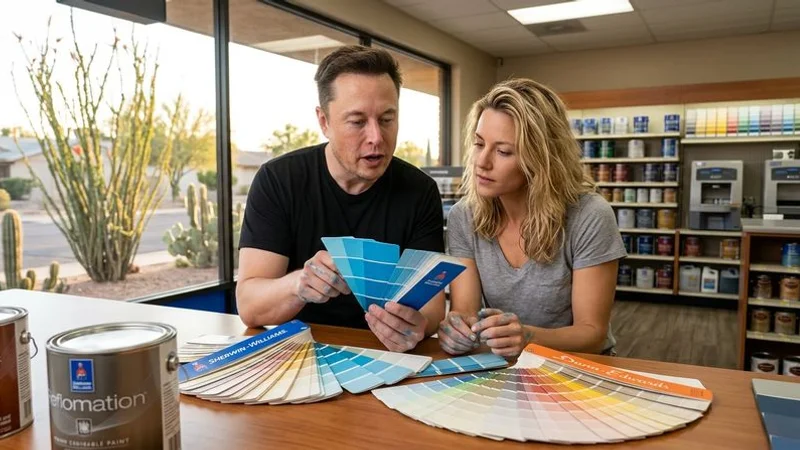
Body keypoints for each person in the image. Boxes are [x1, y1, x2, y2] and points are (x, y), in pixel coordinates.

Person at [236, 45, 446, 353]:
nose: (376, 137)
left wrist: (417, 326)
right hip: (299, 352)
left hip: (386, 355)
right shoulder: (278, 180)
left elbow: (432, 308)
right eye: (358, 121)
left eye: (387, 119)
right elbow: (250, 306)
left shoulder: (420, 190)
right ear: (324, 122)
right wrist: (299, 285)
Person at [438, 78, 626, 358]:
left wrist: (528, 338)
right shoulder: (464, 216)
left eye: (503, 151)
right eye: (479, 144)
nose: (482, 161)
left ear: (541, 158)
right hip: (503, 366)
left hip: (575, 366)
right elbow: (464, 311)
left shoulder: (589, 215)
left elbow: (592, 333)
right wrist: (457, 330)